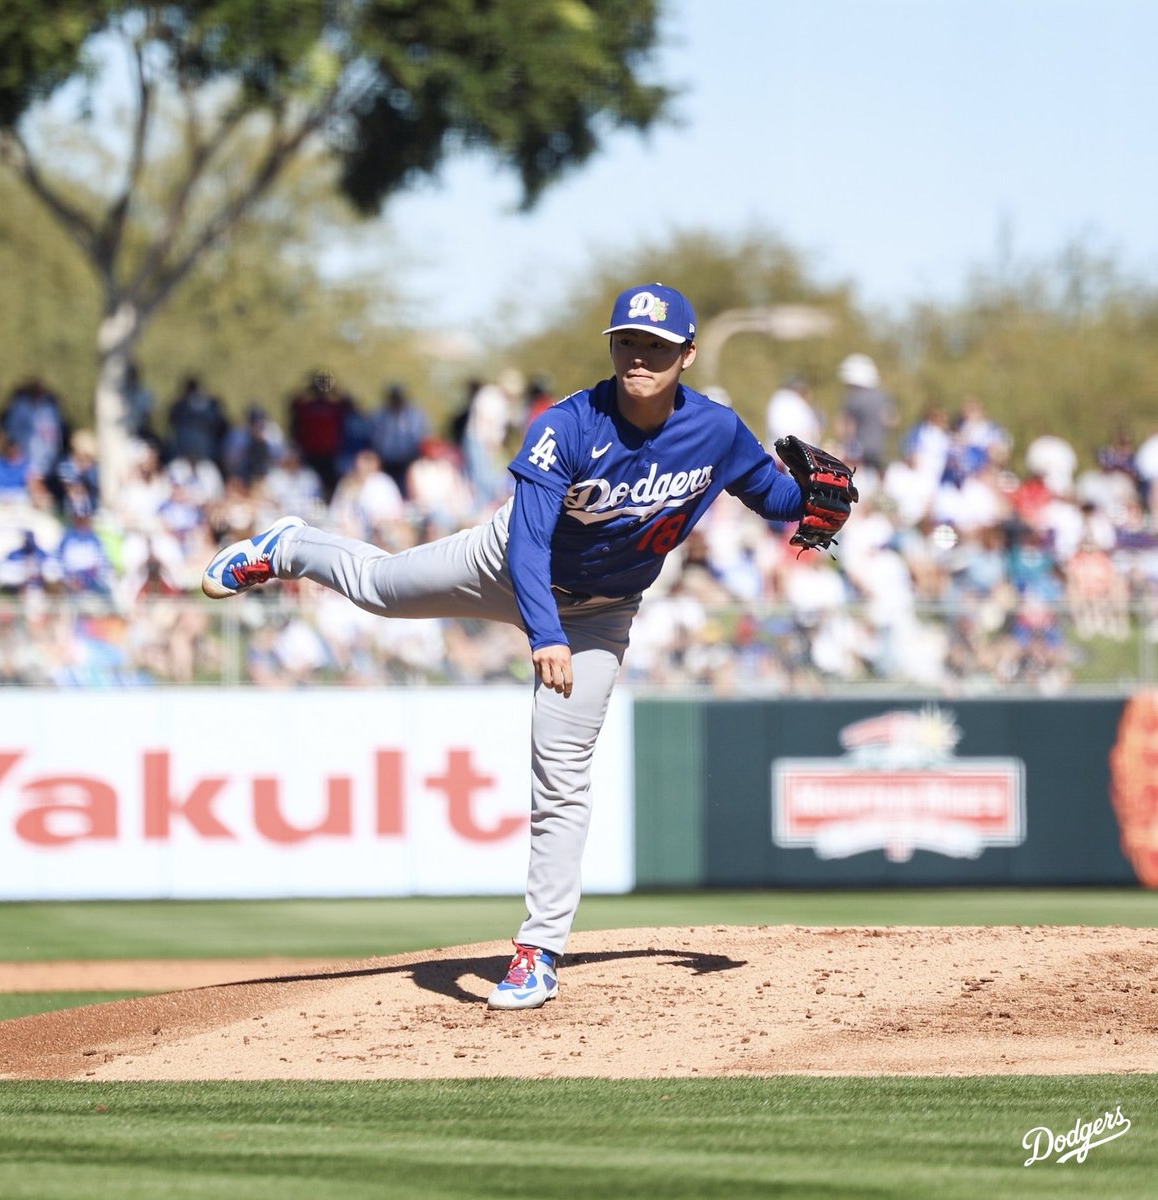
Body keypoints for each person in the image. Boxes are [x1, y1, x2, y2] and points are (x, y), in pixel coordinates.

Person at [201, 283, 818, 1010]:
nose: (638, 357)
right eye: (627, 341)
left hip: (604, 612)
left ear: (686, 354)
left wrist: (814, 498)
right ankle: (291, 545)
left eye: (655, 345)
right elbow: (527, 540)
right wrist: (544, 634)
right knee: (380, 588)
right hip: (506, 567)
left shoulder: (714, 429)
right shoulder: (567, 425)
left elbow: (765, 493)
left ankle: (537, 952)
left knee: (561, 771)